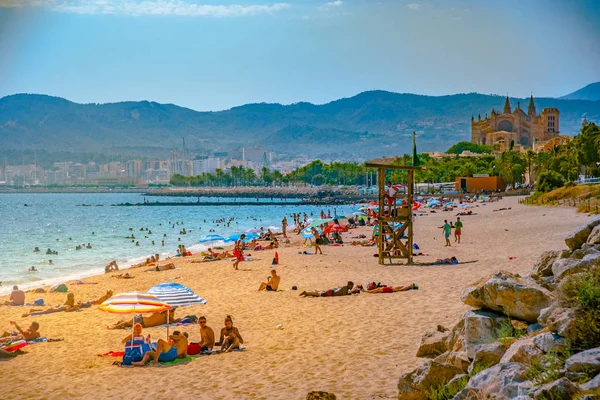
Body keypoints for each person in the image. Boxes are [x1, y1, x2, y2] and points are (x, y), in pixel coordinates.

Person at [108, 309, 179, 329]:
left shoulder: (165, 315)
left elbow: (172, 321)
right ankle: (113, 327)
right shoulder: (166, 314)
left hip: (143, 324)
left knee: (127, 324)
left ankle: (120, 322)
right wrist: (176, 320)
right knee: (127, 323)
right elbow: (172, 320)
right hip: (141, 320)